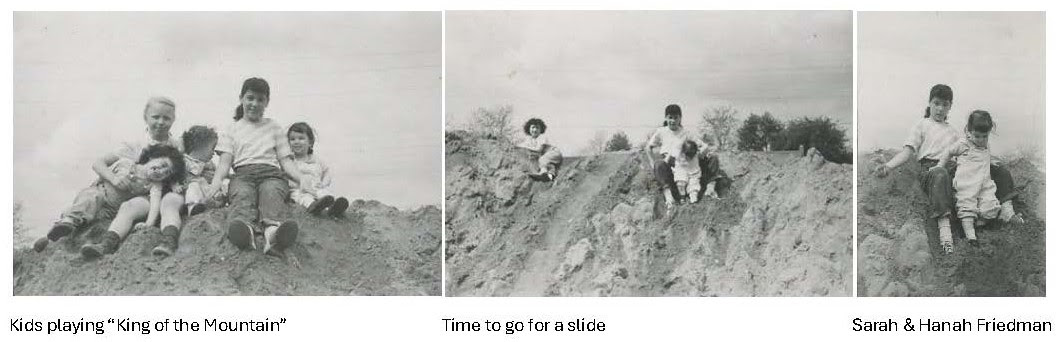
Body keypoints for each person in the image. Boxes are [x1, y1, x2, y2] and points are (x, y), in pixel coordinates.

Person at [875, 84, 1020, 254]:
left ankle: (1007, 211)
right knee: (940, 172)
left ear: (950, 106)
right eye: (936, 103)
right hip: (930, 170)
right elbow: (907, 152)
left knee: (998, 170)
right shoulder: (922, 125)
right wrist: (888, 166)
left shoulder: (953, 132)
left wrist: (990, 162)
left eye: (945, 104)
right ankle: (945, 233)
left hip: (952, 169)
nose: (940, 108)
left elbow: (969, 151)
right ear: (929, 103)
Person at [33, 97, 185, 253]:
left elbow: (180, 174)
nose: (160, 122)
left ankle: (67, 238)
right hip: (110, 192)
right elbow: (98, 163)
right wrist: (114, 178)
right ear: (145, 117)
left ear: (173, 120)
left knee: (110, 210)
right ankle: (52, 239)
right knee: (90, 200)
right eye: (155, 117)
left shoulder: (177, 148)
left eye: (166, 118)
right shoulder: (135, 145)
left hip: (140, 197)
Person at [206, 77, 302, 255]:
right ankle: (244, 233)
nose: (254, 104)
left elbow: (285, 161)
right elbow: (225, 163)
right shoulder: (231, 129)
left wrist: (302, 179)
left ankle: (273, 234)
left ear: (267, 102)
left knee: (271, 193)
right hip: (243, 174)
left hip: (272, 174)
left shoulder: (274, 127)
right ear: (241, 98)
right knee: (242, 195)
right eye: (250, 98)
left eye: (260, 99)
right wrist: (216, 182)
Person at [79, 145, 187, 258]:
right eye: (163, 165)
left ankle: (168, 242)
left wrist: (148, 223)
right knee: (127, 206)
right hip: (121, 201)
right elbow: (100, 168)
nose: (161, 171)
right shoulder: (128, 163)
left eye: (166, 173)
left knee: (137, 205)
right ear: (152, 157)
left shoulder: (156, 184)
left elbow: (155, 202)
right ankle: (106, 244)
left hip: (151, 201)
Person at [646, 104, 725, 215]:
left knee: (713, 158)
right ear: (666, 118)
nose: (673, 121)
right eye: (670, 117)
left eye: (676, 117)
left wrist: (701, 154)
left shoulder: (686, 133)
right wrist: (652, 163)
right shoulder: (661, 132)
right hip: (670, 166)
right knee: (659, 164)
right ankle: (669, 199)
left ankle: (710, 189)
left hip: (687, 165)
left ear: (680, 118)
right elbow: (649, 147)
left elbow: (704, 146)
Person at [286, 122, 348, 217]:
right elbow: (285, 176)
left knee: (325, 194)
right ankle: (313, 207)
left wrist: (323, 183)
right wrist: (292, 184)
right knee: (303, 197)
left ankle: (334, 208)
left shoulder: (316, 160)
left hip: (316, 188)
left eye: (301, 138)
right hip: (300, 190)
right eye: (292, 139)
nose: (296, 141)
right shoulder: (289, 161)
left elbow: (327, 172)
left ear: (310, 142)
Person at [178, 125, 220, 218]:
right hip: (188, 191)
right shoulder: (185, 161)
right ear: (200, 146)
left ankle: (216, 203)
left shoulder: (209, 163)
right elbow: (190, 172)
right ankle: (194, 208)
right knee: (193, 187)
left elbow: (218, 174)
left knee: (218, 186)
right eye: (212, 148)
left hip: (205, 188)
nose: (214, 152)